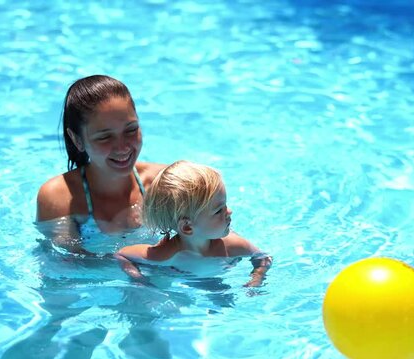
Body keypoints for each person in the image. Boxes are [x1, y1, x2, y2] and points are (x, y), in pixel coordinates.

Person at [36, 75, 165, 253]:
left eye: (131, 130)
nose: (122, 147)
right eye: (105, 137)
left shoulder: (162, 183)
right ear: (77, 139)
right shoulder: (59, 197)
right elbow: (65, 267)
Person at [115, 160, 272, 287]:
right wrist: (139, 279)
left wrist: (256, 278)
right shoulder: (164, 254)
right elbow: (122, 255)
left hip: (210, 276)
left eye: (225, 205)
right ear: (187, 227)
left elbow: (263, 258)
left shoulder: (232, 245)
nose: (229, 211)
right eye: (219, 211)